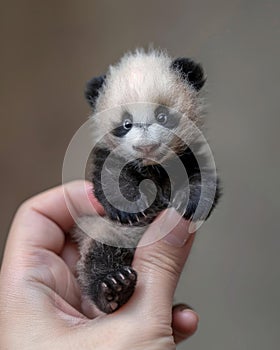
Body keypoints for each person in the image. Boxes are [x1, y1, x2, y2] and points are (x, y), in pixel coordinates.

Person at [0, 181, 199, 349]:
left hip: (124, 242)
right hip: (112, 241)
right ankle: (109, 292)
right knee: (103, 254)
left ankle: (111, 292)